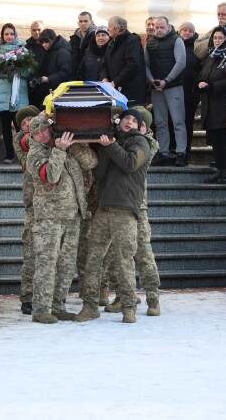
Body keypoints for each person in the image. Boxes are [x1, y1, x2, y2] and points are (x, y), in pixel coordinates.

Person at [76, 109, 151, 324]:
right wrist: (104, 147)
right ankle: (89, 306)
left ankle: (129, 308)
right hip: (104, 208)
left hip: (125, 211)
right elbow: (99, 173)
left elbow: (130, 164)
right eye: (126, 118)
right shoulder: (113, 141)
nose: (129, 122)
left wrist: (111, 146)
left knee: (125, 262)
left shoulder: (141, 143)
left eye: (133, 120)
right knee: (93, 259)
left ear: (139, 125)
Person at [25, 115, 97, 323]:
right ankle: (41, 309)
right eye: (36, 132)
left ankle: (58, 306)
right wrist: (59, 150)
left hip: (72, 216)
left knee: (66, 265)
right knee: (47, 264)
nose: (41, 134)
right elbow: (51, 176)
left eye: (44, 130)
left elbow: (92, 162)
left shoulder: (64, 147)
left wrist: (71, 145)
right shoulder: (35, 154)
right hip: (49, 217)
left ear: (51, 129)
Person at [197, 26, 226, 183]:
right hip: (210, 104)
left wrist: (212, 87)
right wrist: (200, 82)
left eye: (220, 38)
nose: (217, 41)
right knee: (215, 137)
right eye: (215, 38)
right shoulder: (212, 55)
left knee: (225, 136)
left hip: (224, 103)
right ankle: (220, 169)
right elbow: (204, 74)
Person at [145, 16, 188, 167]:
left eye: (162, 27)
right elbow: (146, 64)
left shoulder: (176, 40)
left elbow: (181, 62)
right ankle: (163, 153)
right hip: (156, 88)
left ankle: (181, 153)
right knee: (160, 122)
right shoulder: (150, 42)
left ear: (168, 27)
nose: (159, 30)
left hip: (173, 86)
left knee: (178, 121)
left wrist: (167, 80)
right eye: (156, 27)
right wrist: (152, 80)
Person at [12, 105, 40, 315]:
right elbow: (30, 140)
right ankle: (28, 297)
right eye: (23, 122)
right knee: (31, 253)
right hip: (34, 205)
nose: (27, 123)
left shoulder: (50, 133)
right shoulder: (21, 138)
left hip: (57, 203)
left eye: (31, 119)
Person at [0, 23, 31, 163]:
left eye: (11, 34)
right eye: (6, 34)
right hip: (3, 94)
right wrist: (7, 72)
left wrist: (18, 70)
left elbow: (29, 70)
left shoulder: (23, 50)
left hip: (19, 94)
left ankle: (24, 154)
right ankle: (9, 154)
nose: (9, 36)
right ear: (2, 35)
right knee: (6, 127)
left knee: (21, 126)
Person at [101, 16, 146, 107]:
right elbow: (104, 64)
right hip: (114, 91)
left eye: (109, 26)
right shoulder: (111, 43)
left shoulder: (132, 41)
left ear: (118, 28)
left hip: (131, 91)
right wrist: (104, 78)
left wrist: (115, 82)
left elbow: (132, 65)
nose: (107, 29)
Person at [29, 29, 72, 109]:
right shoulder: (46, 52)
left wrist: (48, 79)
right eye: (42, 42)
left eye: (47, 42)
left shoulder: (62, 52)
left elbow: (66, 73)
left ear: (53, 40)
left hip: (58, 93)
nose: (45, 45)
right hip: (47, 92)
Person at [179, 22, 200, 161]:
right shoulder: (174, 44)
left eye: (190, 31)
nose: (187, 33)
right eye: (184, 30)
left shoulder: (198, 47)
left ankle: (185, 152)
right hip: (174, 90)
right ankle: (174, 151)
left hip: (191, 92)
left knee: (187, 123)